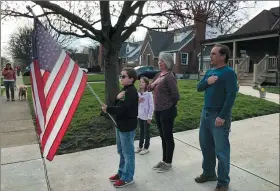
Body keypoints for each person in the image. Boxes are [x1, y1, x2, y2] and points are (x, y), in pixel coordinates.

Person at [195, 44, 238, 191]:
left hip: (218, 116)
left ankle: (223, 182)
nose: (210, 56)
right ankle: (208, 173)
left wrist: (222, 116)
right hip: (205, 114)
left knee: (221, 150)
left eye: (213, 54)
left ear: (223, 56)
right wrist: (208, 81)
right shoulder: (210, 71)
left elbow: (231, 96)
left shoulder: (229, 73)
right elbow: (199, 87)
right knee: (206, 147)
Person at [102, 67, 138, 188]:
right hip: (120, 125)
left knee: (128, 153)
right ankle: (121, 172)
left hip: (127, 127)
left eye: (123, 76)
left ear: (131, 79)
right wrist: (117, 98)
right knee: (121, 151)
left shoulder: (132, 92)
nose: (121, 78)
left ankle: (128, 177)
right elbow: (117, 104)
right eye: (120, 76)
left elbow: (123, 109)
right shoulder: (125, 90)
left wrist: (108, 109)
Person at [148, 52, 179, 173]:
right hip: (158, 110)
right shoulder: (158, 75)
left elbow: (176, 95)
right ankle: (164, 160)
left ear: (167, 62)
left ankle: (168, 162)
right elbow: (149, 88)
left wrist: (169, 106)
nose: (159, 62)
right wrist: (155, 83)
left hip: (167, 111)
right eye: (159, 60)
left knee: (168, 136)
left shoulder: (169, 77)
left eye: (162, 60)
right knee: (162, 136)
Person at [135, 77, 154, 155]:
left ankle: (146, 147)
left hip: (146, 117)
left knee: (146, 132)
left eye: (143, 82)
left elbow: (151, 106)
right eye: (140, 82)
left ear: (146, 84)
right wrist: (138, 101)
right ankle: (140, 146)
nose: (141, 83)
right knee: (141, 131)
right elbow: (136, 104)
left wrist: (149, 117)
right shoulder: (138, 93)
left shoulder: (149, 94)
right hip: (140, 116)